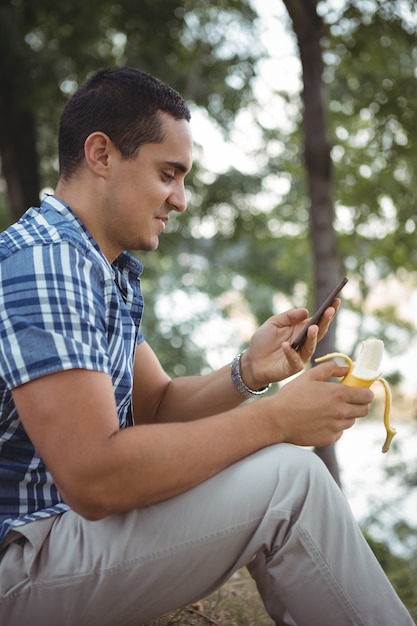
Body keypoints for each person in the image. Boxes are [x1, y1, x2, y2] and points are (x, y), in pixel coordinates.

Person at [0, 67, 413, 626]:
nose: (181, 199)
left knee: (290, 476)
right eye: (168, 174)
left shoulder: (99, 266)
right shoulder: (48, 262)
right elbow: (95, 477)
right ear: (101, 155)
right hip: (21, 566)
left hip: (60, 538)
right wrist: (277, 420)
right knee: (291, 482)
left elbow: (160, 405)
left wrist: (250, 371)